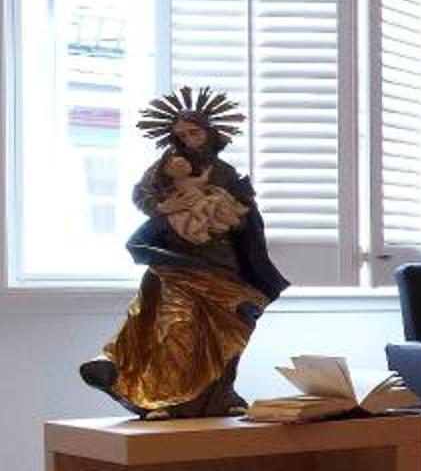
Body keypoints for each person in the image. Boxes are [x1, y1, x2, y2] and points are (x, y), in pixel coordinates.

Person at [79, 86, 289, 419]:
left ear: (210, 133)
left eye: (195, 132)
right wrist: (164, 207)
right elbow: (142, 194)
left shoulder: (224, 172)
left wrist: (229, 215)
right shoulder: (163, 168)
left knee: (231, 331)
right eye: (182, 135)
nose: (189, 140)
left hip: (224, 267)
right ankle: (163, 398)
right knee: (178, 326)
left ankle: (220, 396)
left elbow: (245, 216)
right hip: (178, 265)